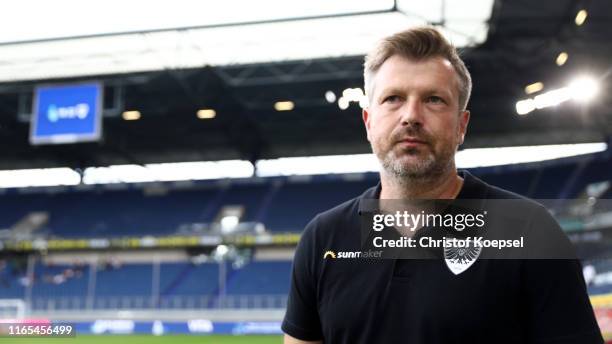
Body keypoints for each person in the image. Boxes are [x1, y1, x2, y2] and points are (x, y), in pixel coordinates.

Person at [282, 26, 603, 344]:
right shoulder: (323, 239)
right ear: (368, 121)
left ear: (461, 125)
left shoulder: (530, 233)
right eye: (393, 98)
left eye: (433, 99)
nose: (411, 115)